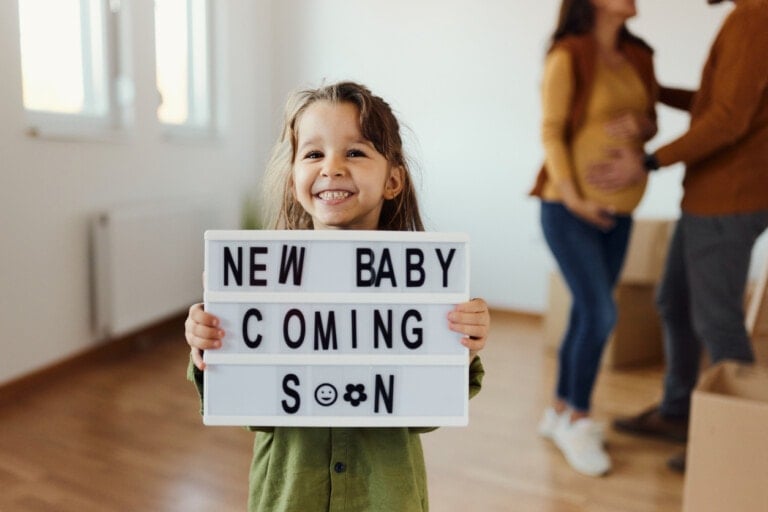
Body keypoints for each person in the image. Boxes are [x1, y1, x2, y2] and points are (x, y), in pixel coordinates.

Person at [183, 81, 490, 511]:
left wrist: (462, 352)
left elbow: (424, 417)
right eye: (313, 154)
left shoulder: (425, 292)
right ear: (294, 182)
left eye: (356, 152)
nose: (332, 167)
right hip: (290, 496)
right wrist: (211, 346)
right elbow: (253, 410)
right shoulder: (261, 286)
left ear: (393, 180)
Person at [588, 0, 768, 473]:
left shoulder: (755, 17)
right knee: (674, 302)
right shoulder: (747, 17)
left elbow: (729, 119)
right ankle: (678, 410)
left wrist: (648, 161)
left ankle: (735, 438)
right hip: (710, 197)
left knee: (718, 322)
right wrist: (657, 92)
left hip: (729, 200)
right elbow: (722, 101)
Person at [529, 0, 659, 476]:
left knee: (589, 312)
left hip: (618, 213)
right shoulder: (569, 54)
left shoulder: (639, 55)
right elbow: (551, 132)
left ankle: (559, 410)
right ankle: (578, 419)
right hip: (567, 209)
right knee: (602, 312)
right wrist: (573, 196)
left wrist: (643, 127)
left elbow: (650, 122)